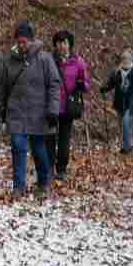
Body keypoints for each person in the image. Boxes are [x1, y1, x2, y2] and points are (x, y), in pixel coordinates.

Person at [0, 21, 61, 196]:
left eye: (24, 42)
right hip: (16, 111)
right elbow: (0, 87)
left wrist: (53, 110)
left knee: (38, 149)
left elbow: (54, 85)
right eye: (19, 42)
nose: (21, 45)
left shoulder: (44, 59)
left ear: (31, 41)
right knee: (17, 146)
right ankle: (19, 186)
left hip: (39, 113)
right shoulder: (7, 61)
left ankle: (43, 182)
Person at [50, 30, 89, 181]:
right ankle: (48, 168)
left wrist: (81, 85)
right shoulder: (49, 60)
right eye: (59, 43)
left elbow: (86, 82)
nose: (61, 46)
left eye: (64, 42)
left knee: (64, 139)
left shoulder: (78, 61)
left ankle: (61, 169)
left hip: (68, 106)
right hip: (52, 105)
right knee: (50, 138)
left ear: (69, 44)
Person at [101, 49, 133, 153]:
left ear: (131, 59)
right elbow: (110, 84)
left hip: (131, 102)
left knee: (126, 122)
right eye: (123, 58)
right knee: (122, 124)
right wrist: (104, 88)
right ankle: (127, 143)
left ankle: (126, 146)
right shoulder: (116, 72)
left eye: (127, 58)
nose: (125, 60)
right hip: (119, 102)